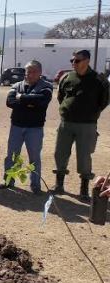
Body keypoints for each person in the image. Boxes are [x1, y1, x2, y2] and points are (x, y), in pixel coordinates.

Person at [53, 49, 109, 201]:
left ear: (87, 61)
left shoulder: (99, 80)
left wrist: (89, 113)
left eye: (77, 61)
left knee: (84, 156)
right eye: (72, 60)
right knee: (60, 153)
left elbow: (104, 101)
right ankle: (59, 185)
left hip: (87, 125)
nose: (73, 63)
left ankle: (83, 188)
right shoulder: (67, 78)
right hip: (66, 123)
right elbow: (61, 97)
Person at [0, 60, 53, 194]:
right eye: (28, 71)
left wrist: (21, 98)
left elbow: (42, 101)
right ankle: (8, 180)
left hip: (35, 128)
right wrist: (30, 102)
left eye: (34, 71)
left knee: (34, 157)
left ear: (40, 72)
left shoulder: (47, 86)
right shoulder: (17, 85)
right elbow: (10, 102)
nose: (31, 74)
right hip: (16, 126)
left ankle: (35, 185)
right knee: (12, 155)